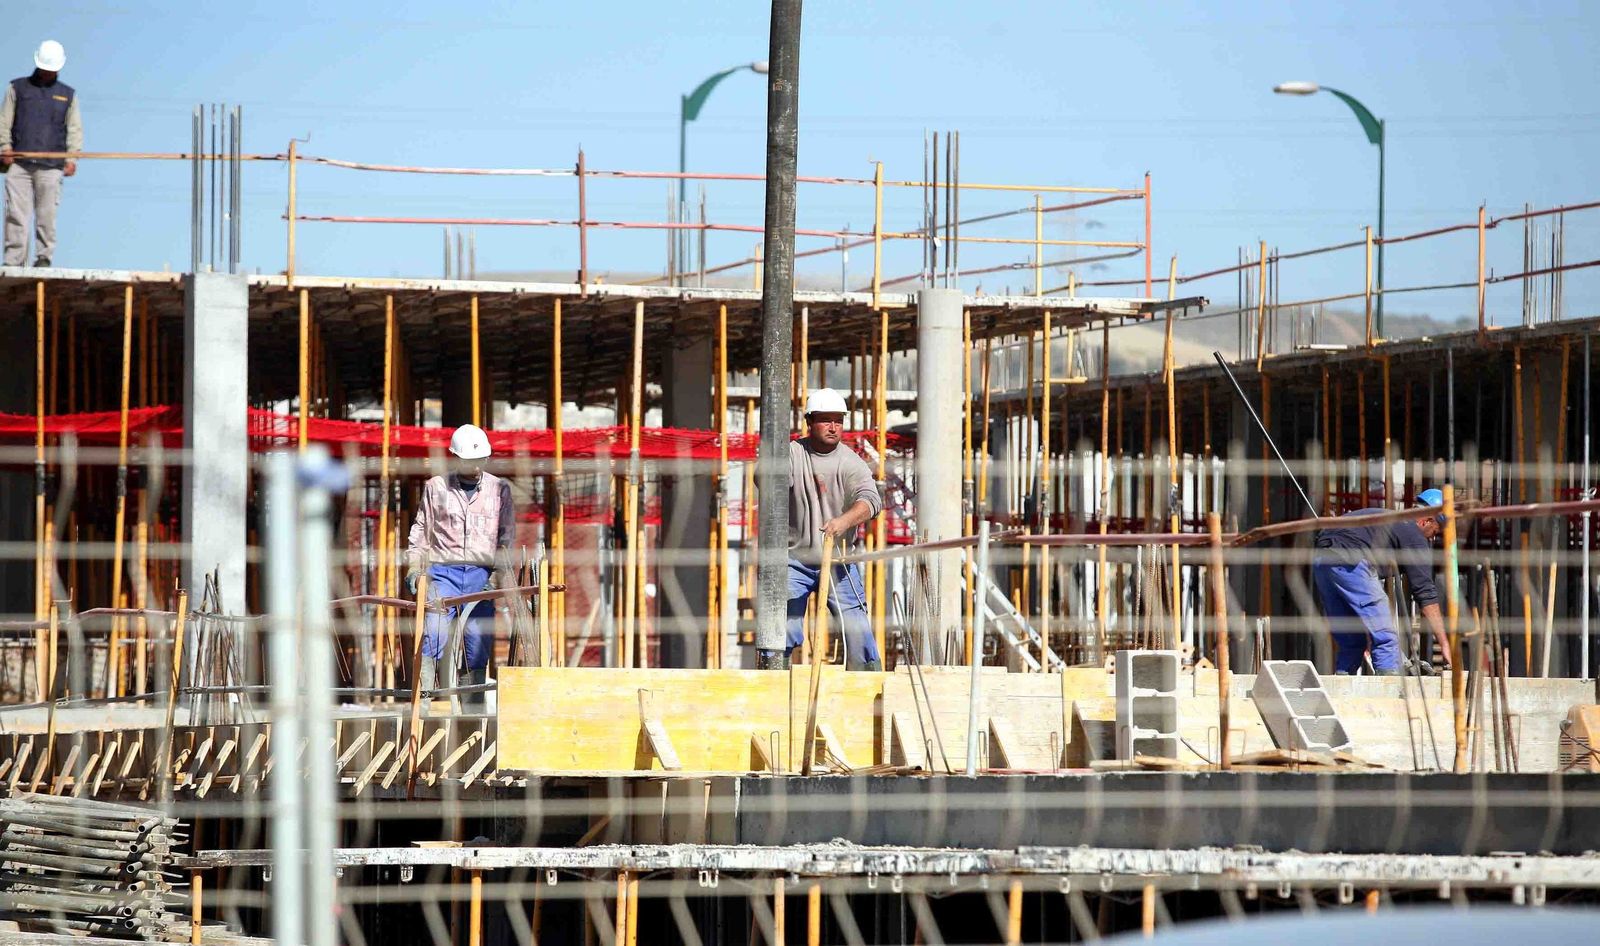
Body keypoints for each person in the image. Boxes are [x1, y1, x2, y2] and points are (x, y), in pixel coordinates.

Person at [405, 424, 515, 694]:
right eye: (469, 460)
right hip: (443, 574)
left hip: (481, 575)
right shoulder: (436, 488)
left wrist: (496, 576)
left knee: (477, 644)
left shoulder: (499, 490)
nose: (475, 466)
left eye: (480, 459)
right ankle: (424, 702)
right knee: (433, 632)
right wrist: (414, 568)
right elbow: (421, 531)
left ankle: (471, 710)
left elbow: (506, 536)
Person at [785, 388, 883, 670]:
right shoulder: (792, 453)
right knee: (782, 628)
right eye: (825, 420)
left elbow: (871, 500)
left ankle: (866, 682)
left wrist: (844, 521)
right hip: (794, 561)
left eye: (838, 420)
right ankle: (775, 677)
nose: (833, 427)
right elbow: (765, 481)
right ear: (809, 421)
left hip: (838, 560)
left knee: (857, 631)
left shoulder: (851, 462)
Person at [1312, 488, 1453, 675]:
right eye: (1435, 530)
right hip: (1351, 560)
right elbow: (1426, 593)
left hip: (1321, 562)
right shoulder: (1414, 533)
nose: (1433, 537)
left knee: (1352, 641)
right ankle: (1389, 686)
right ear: (1426, 520)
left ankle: (1342, 686)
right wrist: (1444, 644)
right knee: (1385, 636)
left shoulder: (1393, 521)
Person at [2, 41, 81, 268]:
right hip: (20, 164)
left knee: (47, 215)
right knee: (16, 214)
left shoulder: (67, 95)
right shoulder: (17, 88)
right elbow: (4, 121)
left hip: (51, 165)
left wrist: (72, 158)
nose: (49, 73)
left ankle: (44, 257)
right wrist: (5, 147)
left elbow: (74, 129)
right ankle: (14, 260)